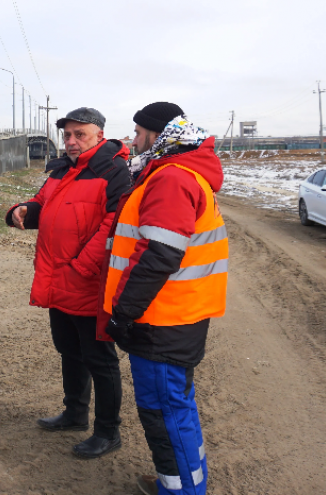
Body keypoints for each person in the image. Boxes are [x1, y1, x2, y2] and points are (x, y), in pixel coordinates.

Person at [98, 102, 227, 495]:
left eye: (138, 133)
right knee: (173, 410)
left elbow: (160, 254)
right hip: (174, 316)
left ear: (158, 134)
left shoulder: (171, 178)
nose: (134, 140)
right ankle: (180, 483)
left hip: (163, 321)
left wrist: (124, 312)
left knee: (165, 413)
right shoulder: (177, 172)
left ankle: (184, 490)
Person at [6, 107, 131, 458]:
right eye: (68, 135)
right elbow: (44, 204)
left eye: (80, 135)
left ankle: (108, 431)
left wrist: (81, 266)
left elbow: (114, 224)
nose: (72, 142)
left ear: (99, 135)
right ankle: (75, 413)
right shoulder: (63, 169)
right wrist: (22, 210)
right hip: (58, 279)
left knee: (99, 358)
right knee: (69, 350)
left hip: (87, 281)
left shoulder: (113, 171)